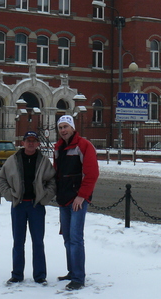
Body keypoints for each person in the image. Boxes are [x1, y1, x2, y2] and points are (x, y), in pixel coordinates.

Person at [0, 130, 56, 285]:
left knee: (38, 242)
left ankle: (40, 275)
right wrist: (10, 195)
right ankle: (17, 274)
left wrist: (45, 196)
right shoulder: (13, 160)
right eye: (27, 140)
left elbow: (52, 181)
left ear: (38, 144)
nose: (30, 143)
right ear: (22, 143)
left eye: (33, 140)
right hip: (19, 206)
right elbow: (1, 178)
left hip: (36, 206)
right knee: (18, 241)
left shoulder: (43, 161)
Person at [53, 114, 99, 291]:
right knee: (67, 238)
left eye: (66, 126)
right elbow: (57, 173)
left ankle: (79, 277)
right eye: (60, 127)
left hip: (77, 200)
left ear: (72, 128)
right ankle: (72, 271)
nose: (63, 130)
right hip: (64, 199)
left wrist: (82, 196)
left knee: (76, 238)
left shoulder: (84, 146)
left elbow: (91, 174)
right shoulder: (59, 147)